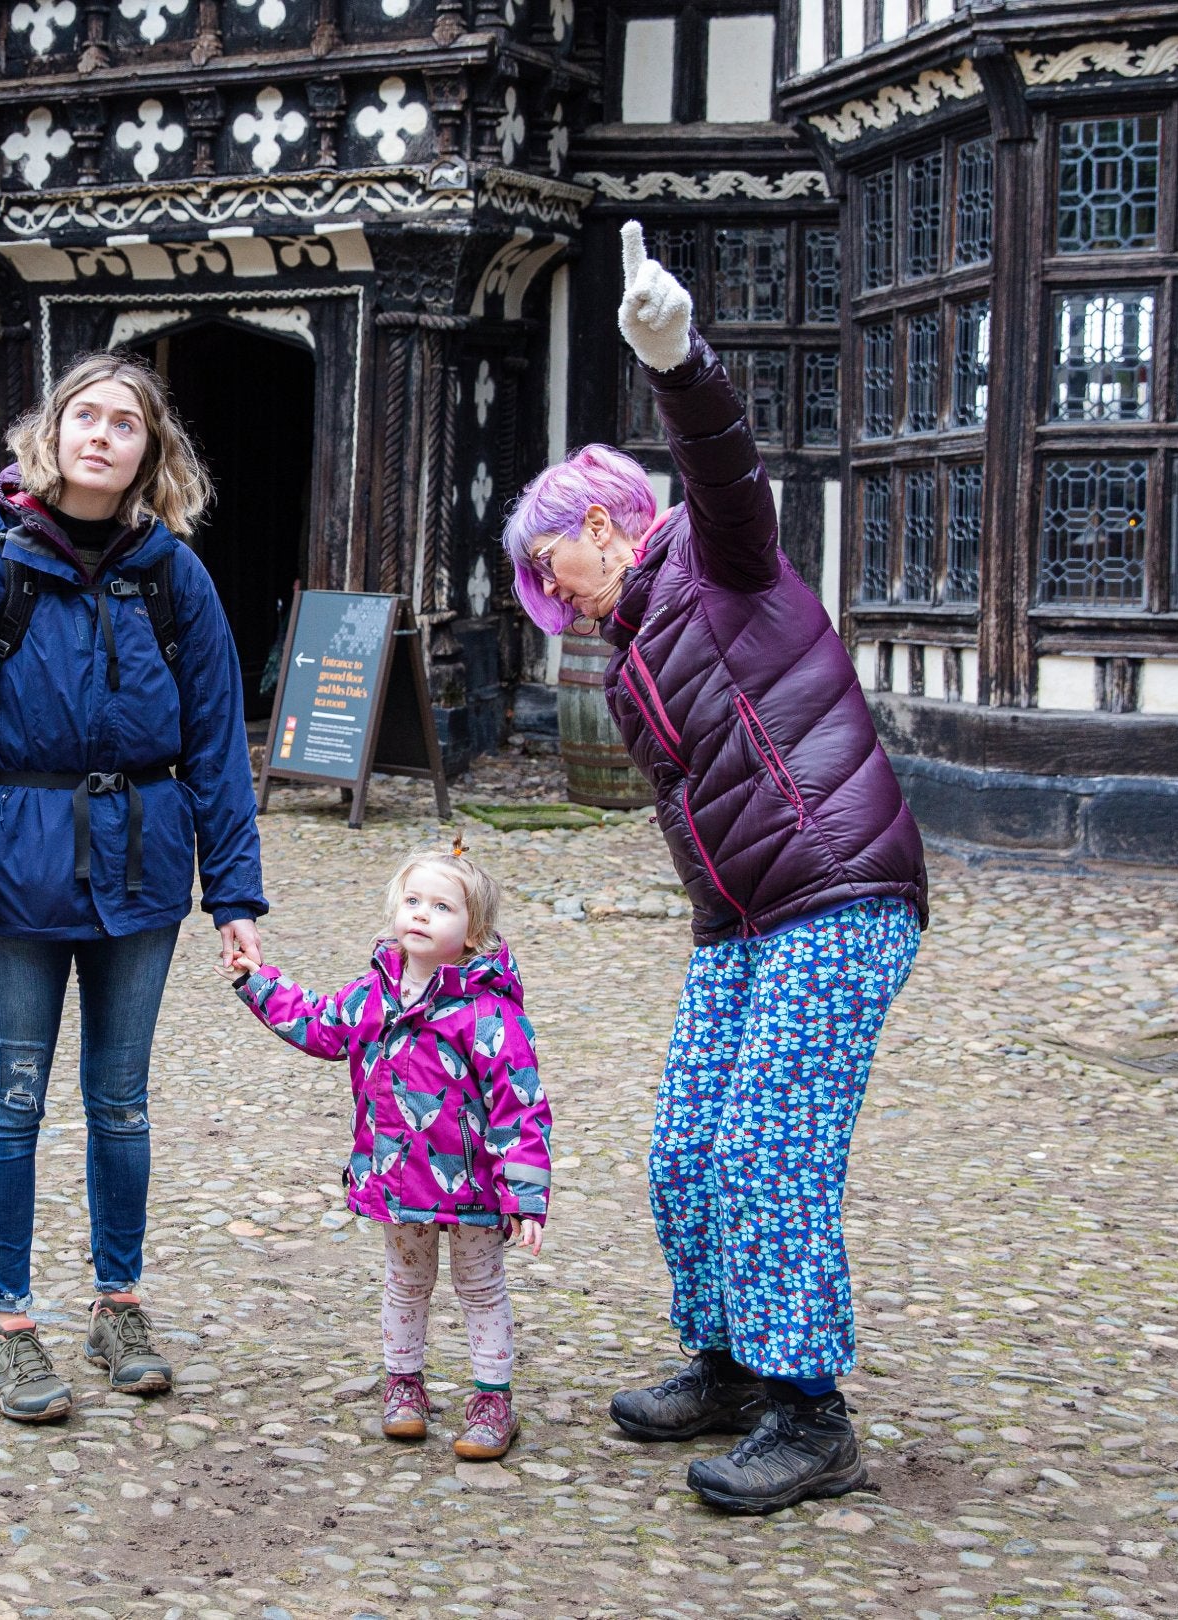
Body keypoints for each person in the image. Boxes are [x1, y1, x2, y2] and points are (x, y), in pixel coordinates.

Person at [497, 223, 929, 1515]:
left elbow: (727, 470)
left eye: (550, 562)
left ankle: (813, 1414)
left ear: (609, 524)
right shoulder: (627, 651)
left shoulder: (711, 552)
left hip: (839, 890)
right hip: (740, 922)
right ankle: (734, 1362)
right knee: (687, 1149)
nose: (547, 593)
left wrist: (677, 363)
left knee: (767, 1150)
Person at [0, 351, 267, 1425]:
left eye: (125, 423)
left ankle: (118, 1306)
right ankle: (7, 1328)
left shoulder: (174, 579)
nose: (101, 434)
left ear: (152, 453)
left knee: (121, 1103)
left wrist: (234, 894)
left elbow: (216, 747)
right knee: (12, 1105)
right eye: (84, 416)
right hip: (15, 882)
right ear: (51, 433)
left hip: (143, 877)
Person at [220, 850, 550, 1460]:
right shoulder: (373, 996)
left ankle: (493, 1400)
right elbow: (319, 1025)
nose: (422, 915)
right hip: (396, 1178)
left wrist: (525, 1196)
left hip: (473, 1187)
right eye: (413, 902)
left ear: (473, 931)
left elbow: (519, 1108)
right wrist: (255, 982)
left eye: (442, 907)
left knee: (480, 1287)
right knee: (405, 1282)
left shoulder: (489, 1015)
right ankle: (404, 1387)